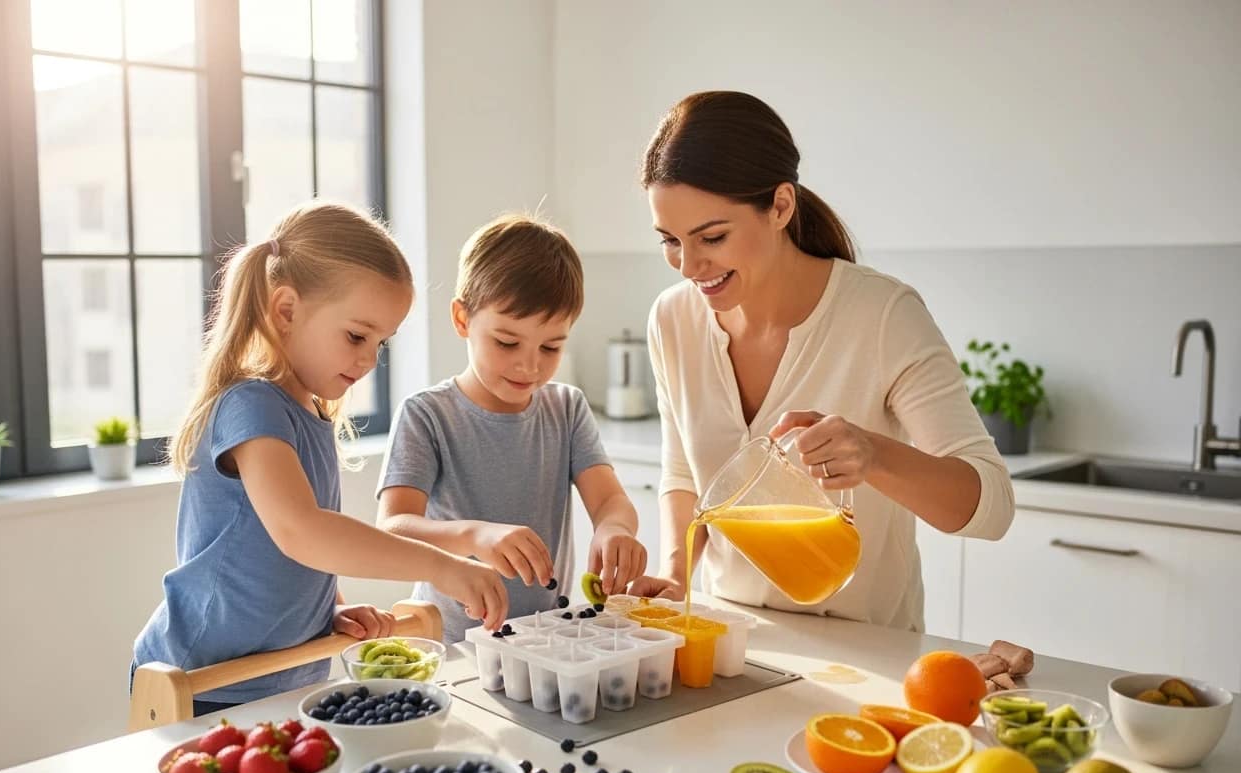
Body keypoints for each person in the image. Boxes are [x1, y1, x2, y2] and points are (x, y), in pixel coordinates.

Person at [628, 91, 1014, 631]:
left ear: (781, 206)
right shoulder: (673, 320)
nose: (689, 265)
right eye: (670, 240)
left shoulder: (881, 315)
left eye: (711, 237)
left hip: (867, 656)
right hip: (732, 640)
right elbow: (684, 475)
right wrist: (676, 572)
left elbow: (991, 507)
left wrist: (874, 455)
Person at [132, 201, 507, 714]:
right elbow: (301, 532)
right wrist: (440, 567)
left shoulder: (309, 413)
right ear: (286, 310)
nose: (368, 358)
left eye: (380, 342)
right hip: (199, 681)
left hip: (278, 675)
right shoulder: (251, 405)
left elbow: (279, 556)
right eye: (356, 335)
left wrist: (331, 609)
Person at [377, 213, 648, 644]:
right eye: (507, 342)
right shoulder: (427, 415)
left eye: (551, 346)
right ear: (462, 320)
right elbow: (393, 527)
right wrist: (474, 534)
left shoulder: (566, 407)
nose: (530, 364)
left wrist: (615, 529)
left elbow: (610, 499)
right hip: (452, 646)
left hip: (544, 641)